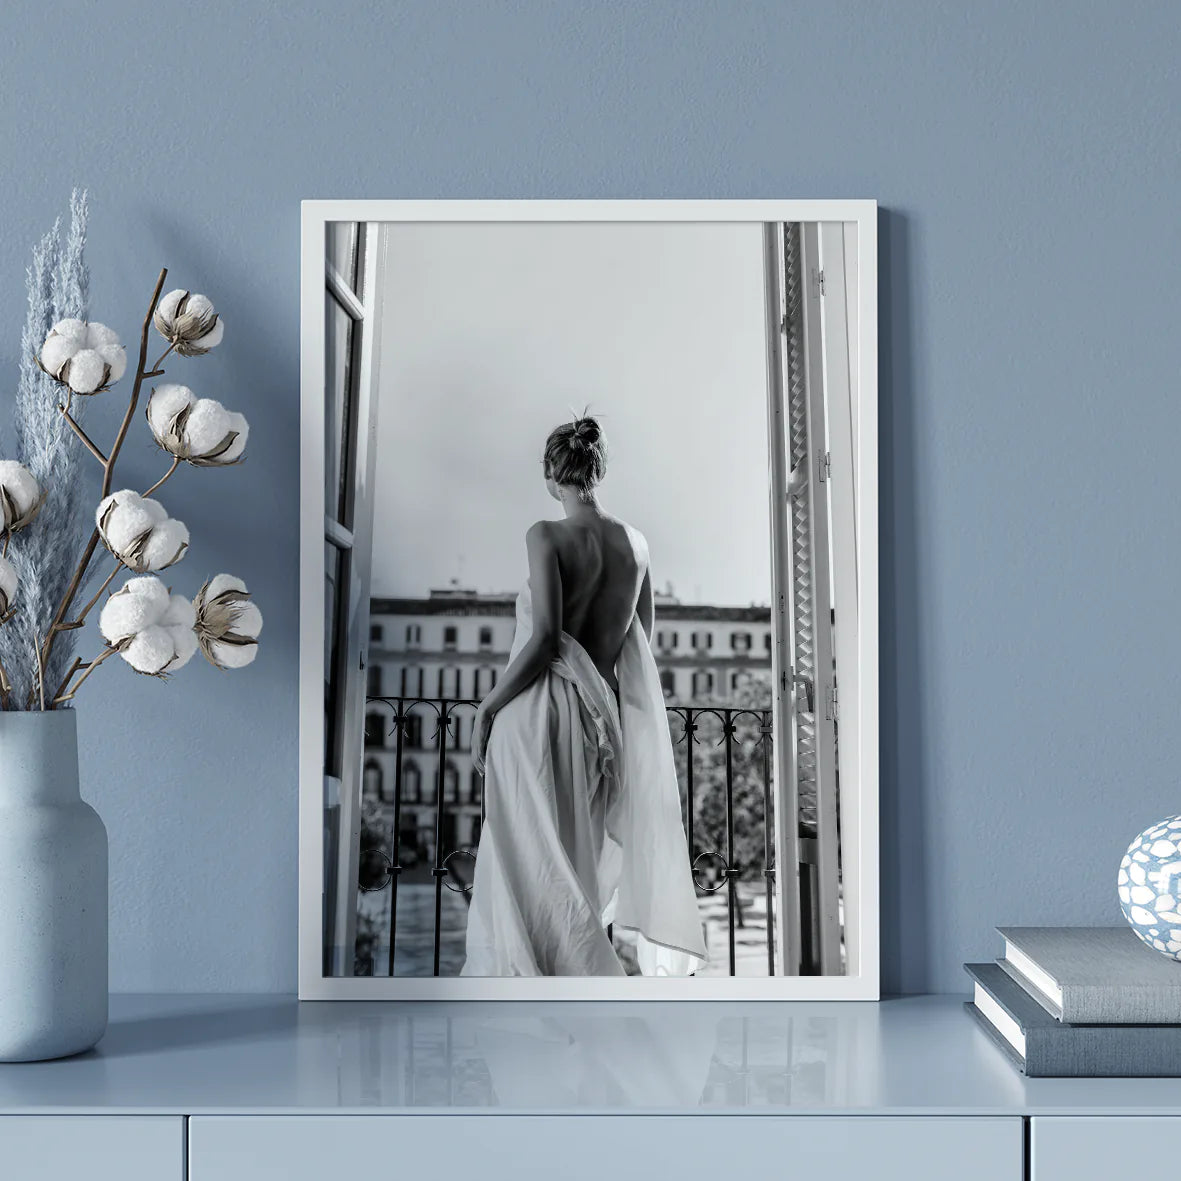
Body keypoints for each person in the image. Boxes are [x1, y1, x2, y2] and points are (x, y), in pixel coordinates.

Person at [461, 416, 707, 976]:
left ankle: (554, 986)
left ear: (552, 474)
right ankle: (577, 996)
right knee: (574, 861)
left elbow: (546, 638)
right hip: (600, 720)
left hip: (537, 714)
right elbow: (641, 645)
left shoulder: (544, 535)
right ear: (597, 471)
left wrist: (489, 704)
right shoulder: (637, 545)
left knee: (529, 860)